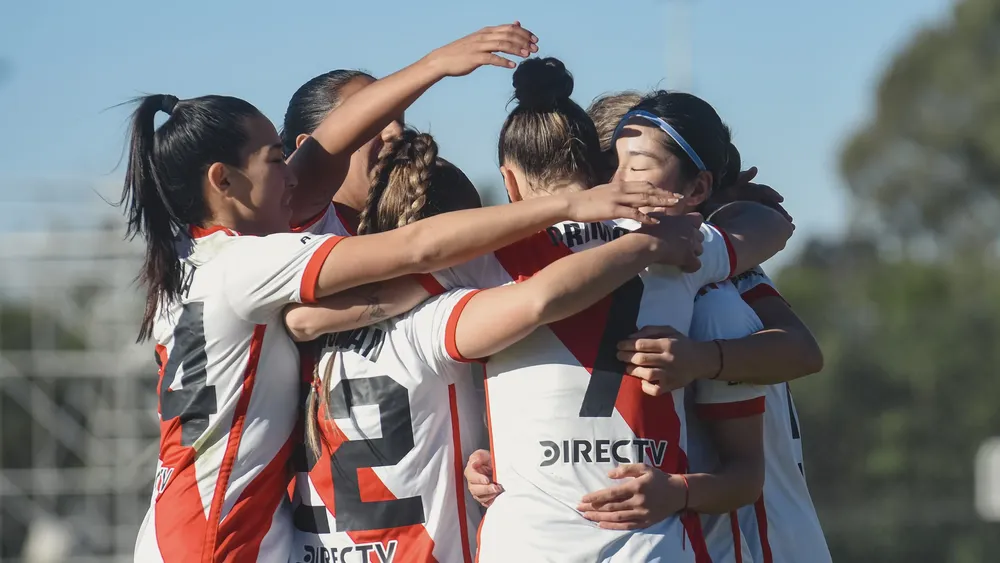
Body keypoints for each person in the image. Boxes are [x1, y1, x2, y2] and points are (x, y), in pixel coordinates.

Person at [126, 24, 683, 563]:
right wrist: (571, 208)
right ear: (222, 181)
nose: (293, 173)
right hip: (222, 543)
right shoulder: (256, 264)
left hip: (185, 529)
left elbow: (318, 156)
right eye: (275, 160)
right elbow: (419, 247)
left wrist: (436, 65)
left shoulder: (190, 255)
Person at [284, 128, 706, 563]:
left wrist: (488, 453)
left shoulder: (297, 320)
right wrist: (646, 243)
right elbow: (538, 300)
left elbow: (305, 318)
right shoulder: (437, 320)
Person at [439, 60, 792, 562]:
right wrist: (716, 209)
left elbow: (412, 254)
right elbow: (773, 224)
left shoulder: (485, 260)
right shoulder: (676, 245)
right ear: (601, 173)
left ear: (509, 184)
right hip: (649, 546)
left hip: (527, 544)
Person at [281, 69, 393, 234]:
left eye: (396, 119)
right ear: (307, 148)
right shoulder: (298, 225)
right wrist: (434, 65)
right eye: (370, 121)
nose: (395, 131)